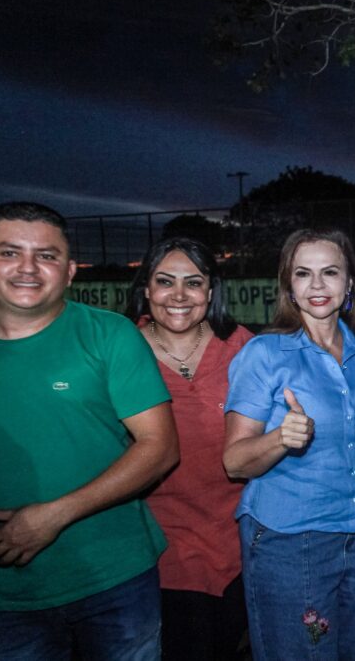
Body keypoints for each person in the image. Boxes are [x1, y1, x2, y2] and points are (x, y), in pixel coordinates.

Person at [0, 202, 179, 660]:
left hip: (113, 577)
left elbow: (160, 448)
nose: (28, 268)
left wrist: (52, 516)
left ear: (71, 270)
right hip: (7, 598)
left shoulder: (109, 334)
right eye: (9, 252)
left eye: (47, 255)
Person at [223, 228, 355, 661]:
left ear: (351, 283)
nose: (317, 285)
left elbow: (353, 441)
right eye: (303, 274)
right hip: (292, 542)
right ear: (289, 285)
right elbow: (234, 461)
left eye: (330, 272)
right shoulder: (265, 353)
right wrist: (279, 439)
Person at [126, 237, 253, 660]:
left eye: (193, 283)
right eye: (165, 282)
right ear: (146, 288)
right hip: (160, 548)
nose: (179, 296)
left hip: (240, 542)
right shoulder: (120, 350)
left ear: (211, 292)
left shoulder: (241, 346)